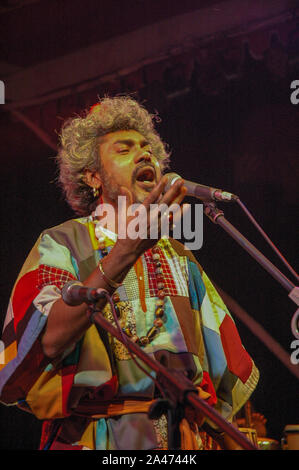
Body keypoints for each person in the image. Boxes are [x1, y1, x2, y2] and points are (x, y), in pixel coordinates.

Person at [0, 96, 259, 450]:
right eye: (124, 149)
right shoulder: (61, 244)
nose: (144, 155)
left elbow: (223, 379)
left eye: (147, 148)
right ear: (93, 176)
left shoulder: (179, 257)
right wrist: (127, 250)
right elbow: (44, 339)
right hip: (98, 440)